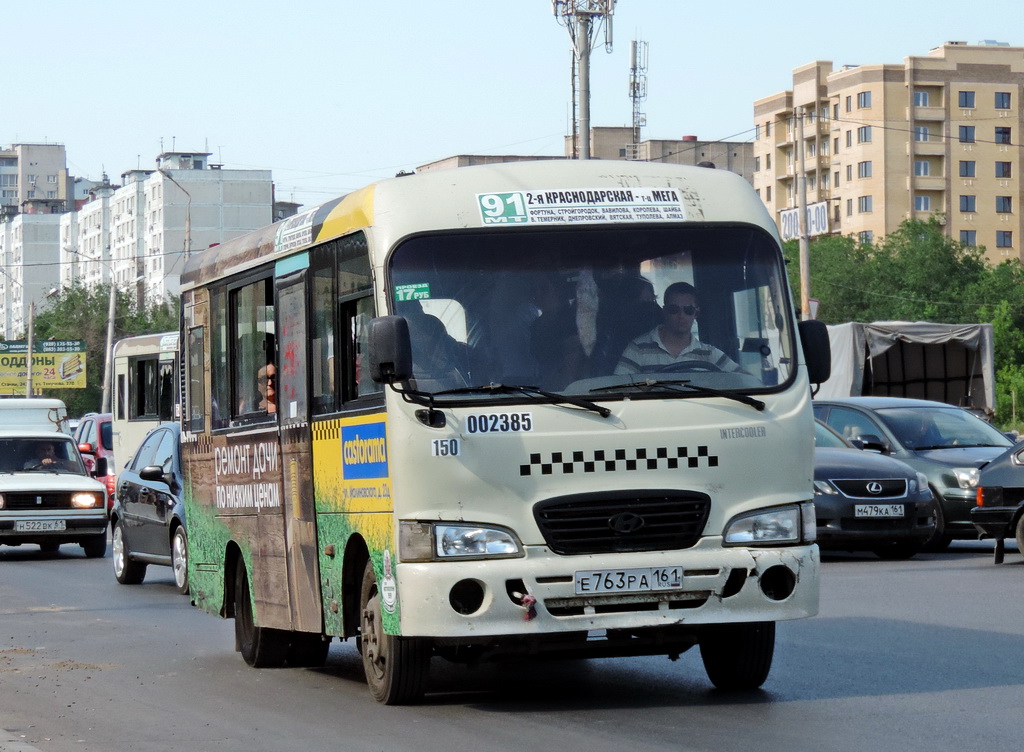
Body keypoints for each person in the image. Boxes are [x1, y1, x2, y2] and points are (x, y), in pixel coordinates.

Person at [615, 281, 741, 375]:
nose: (681, 316)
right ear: (664, 312)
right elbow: (618, 391)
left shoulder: (710, 354)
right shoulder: (637, 350)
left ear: (696, 313)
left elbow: (746, 381)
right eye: (674, 310)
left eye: (688, 310)